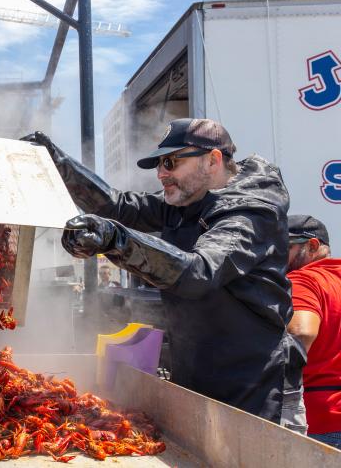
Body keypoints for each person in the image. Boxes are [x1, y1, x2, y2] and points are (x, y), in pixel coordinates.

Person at [23, 118, 305, 429]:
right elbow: (119, 207)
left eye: (171, 162)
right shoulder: (187, 199)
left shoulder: (251, 212)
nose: (161, 173)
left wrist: (115, 239)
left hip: (256, 387)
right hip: (200, 378)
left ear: (212, 160)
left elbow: (198, 272)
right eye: (159, 164)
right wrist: (55, 160)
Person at [285, 215, 341, 446]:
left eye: (284, 247)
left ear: (313, 246)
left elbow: (301, 332)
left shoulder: (303, 279)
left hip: (322, 421)